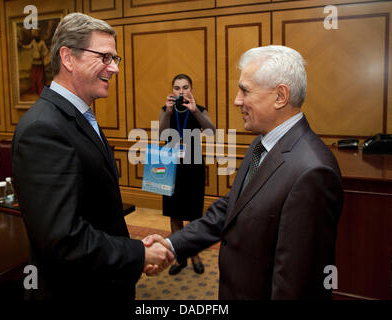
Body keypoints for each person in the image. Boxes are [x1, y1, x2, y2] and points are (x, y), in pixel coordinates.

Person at [145, 45, 343, 299]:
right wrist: (172, 244)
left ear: (280, 96)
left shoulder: (313, 172)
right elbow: (231, 208)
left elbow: (296, 284)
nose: (237, 100)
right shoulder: (261, 144)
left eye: (245, 90)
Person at [12, 12, 173, 301]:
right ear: (68, 58)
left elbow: (95, 213)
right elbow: (62, 240)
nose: (114, 69)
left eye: (115, 59)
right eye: (105, 57)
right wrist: (139, 253)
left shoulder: (78, 116)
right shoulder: (44, 128)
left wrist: (131, 250)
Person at [159, 74, 215, 275]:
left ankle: (195, 254)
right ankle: (179, 256)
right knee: (174, 213)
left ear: (191, 89)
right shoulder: (166, 110)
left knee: (193, 214)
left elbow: (211, 130)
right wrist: (168, 112)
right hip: (171, 166)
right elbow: (162, 134)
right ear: (172, 90)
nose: (181, 91)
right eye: (176, 88)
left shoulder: (199, 109)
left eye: (185, 87)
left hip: (193, 166)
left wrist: (194, 111)